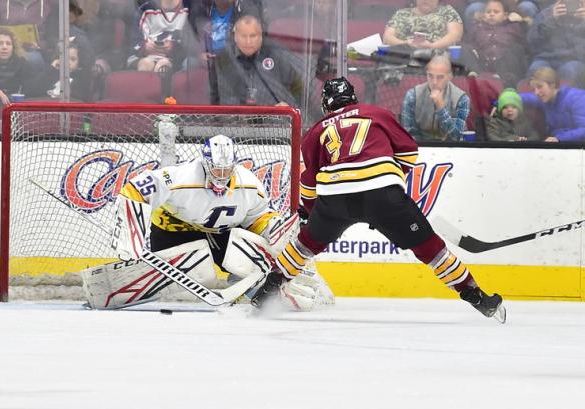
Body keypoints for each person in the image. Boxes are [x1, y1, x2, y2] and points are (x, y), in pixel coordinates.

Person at [250, 77, 506, 323]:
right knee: (430, 248)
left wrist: (313, 214)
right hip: (382, 192)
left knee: (304, 245)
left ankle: (267, 291)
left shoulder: (317, 130)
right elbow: (408, 153)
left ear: (326, 104)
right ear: (353, 98)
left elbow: (309, 183)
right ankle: (475, 295)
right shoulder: (377, 113)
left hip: (335, 197)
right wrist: (390, 185)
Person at [86, 134, 334, 310]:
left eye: (227, 170)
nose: (221, 175)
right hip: (174, 231)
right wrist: (131, 238)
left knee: (248, 252)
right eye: (216, 169)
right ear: (205, 163)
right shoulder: (181, 177)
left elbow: (258, 219)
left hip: (219, 234)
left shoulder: (249, 184)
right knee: (196, 271)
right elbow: (135, 190)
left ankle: (252, 286)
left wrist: (275, 241)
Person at [210, 12, 306, 107]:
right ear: (235, 37)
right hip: (235, 120)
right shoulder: (223, 59)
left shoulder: (276, 55)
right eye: (243, 36)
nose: (248, 41)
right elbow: (218, 98)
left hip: (274, 120)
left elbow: (299, 90)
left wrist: (289, 106)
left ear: (260, 36)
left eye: (253, 36)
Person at [400, 54, 471, 141]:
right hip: (421, 146)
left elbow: (457, 136)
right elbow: (408, 133)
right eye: (430, 76)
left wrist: (441, 108)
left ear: (450, 77)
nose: (434, 82)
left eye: (440, 77)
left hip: (451, 148)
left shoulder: (461, 99)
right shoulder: (412, 95)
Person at [463, 0, 529, 87]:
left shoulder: (514, 27)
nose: (491, 14)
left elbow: (526, 46)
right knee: (465, 49)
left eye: (496, 12)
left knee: (515, 49)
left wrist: (522, 22)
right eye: (488, 12)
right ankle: (476, 78)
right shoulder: (477, 27)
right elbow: (468, 44)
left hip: (506, 65)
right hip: (482, 63)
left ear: (505, 15)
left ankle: (503, 81)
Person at [0, 0, 60, 72]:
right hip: (5, 46)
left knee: (32, 59)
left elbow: (53, 37)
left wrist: (40, 45)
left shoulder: (50, 3)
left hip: (35, 50)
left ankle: (31, 87)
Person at [526, 0, 585, 86]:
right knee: (535, 70)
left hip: (575, 58)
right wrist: (551, 19)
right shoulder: (547, 13)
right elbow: (532, 40)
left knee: (569, 70)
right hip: (547, 57)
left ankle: (565, 99)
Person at [127, 0, 195, 74]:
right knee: (146, 65)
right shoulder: (145, 9)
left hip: (174, 58)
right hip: (144, 56)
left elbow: (193, 42)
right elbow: (135, 42)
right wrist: (145, 47)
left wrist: (173, 47)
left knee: (163, 66)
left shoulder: (191, 8)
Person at [520, 66, 585, 142]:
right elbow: (527, 98)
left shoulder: (577, 98)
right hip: (555, 145)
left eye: (540, 87)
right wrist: (508, 98)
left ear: (552, 84)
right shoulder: (545, 99)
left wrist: (559, 138)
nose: (536, 92)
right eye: (534, 89)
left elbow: (583, 129)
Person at [25, 38, 93, 101]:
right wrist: (51, 69)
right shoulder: (52, 74)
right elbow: (32, 91)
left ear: (79, 63)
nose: (68, 62)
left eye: (73, 59)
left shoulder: (81, 81)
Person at [382, 0, 463, 50]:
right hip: (404, 54)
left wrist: (432, 46)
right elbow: (387, 37)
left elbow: (455, 35)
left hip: (438, 56)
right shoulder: (401, 13)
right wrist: (405, 43)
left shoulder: (447, 11)